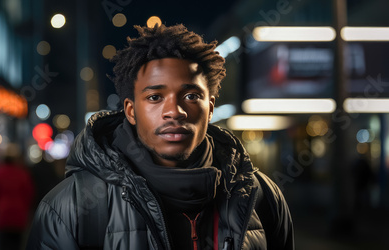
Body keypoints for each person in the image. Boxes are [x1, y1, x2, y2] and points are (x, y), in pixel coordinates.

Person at [26, 24, 294, 250]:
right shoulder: (70, 208)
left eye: (191, 96)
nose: (174, 112)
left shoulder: (263, 197)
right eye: (155, 97)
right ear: (131, 111)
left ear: (210, 108)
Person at [0, 147, 35, 250]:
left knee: (3, 245)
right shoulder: (23, 174)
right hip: (19, 216)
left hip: (2, 214)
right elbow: (30, 193)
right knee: (16, 245)